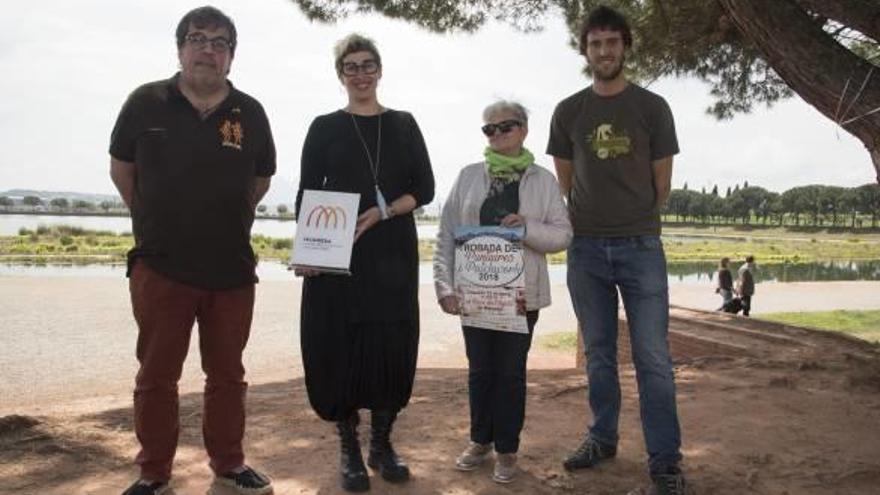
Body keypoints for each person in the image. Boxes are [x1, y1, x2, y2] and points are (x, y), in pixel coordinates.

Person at [109, 6, 274, 495]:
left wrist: (219, 219)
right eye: (198, 38)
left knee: (227, 376)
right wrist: (156, 219)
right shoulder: (145, 102)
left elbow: (259, 181)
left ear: (231, 56)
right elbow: (122, 170)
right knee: (157, 375)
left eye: (220, 42)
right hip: (161, 267)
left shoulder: (251, 113)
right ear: (180, 48)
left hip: (231, 270)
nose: (208, 49)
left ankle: (228, 466)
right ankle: (154, 473)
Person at [546, 6, 687, 495]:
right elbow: (567, 181)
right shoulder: (568, 111)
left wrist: (630, 221)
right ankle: (602, 438)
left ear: (626, 46)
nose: (604, 51)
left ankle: (666, 464)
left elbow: (661, 185)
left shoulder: (653, 108)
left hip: (642, 246)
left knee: (653, 358)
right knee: (599, 355)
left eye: (612, 42)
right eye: (594, 43)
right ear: (585, 50)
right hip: (585, 250)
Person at [294, 33, 435, 493]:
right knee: (339, 343)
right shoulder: (323, 126)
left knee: (390, 342)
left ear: (379, 70)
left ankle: (382, 443)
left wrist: (385, 210)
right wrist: (309, 252)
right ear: (341, 75)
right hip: (339, 254)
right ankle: (349, 447)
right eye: (351, 66)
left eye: (367, 65)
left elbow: (425, 188)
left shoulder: (405, 123)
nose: (360, 73)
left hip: (392, 251)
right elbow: (306, 194)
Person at [433, 101, 572, 484]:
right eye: (489, 129)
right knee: (480, 371)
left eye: (505, 127)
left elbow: (563, 235)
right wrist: (444, 286)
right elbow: (446, 234)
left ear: (524, 129)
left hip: (521, 297)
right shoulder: (467, 176)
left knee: (510, 373)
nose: (496, 134)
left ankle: (507, 449)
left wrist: (527, 227)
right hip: (473, 295)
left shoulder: (543, 181)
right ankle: (480, 441)